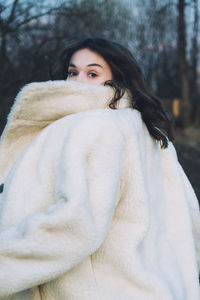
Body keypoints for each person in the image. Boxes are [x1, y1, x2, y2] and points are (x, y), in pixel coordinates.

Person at [0, 37, 199, 300]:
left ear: (119, 81)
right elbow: (190, 226)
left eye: (92, 73)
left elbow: (74, 225)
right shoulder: (151, 137)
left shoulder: (94, 126)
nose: (77, 81)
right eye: (73, 72)